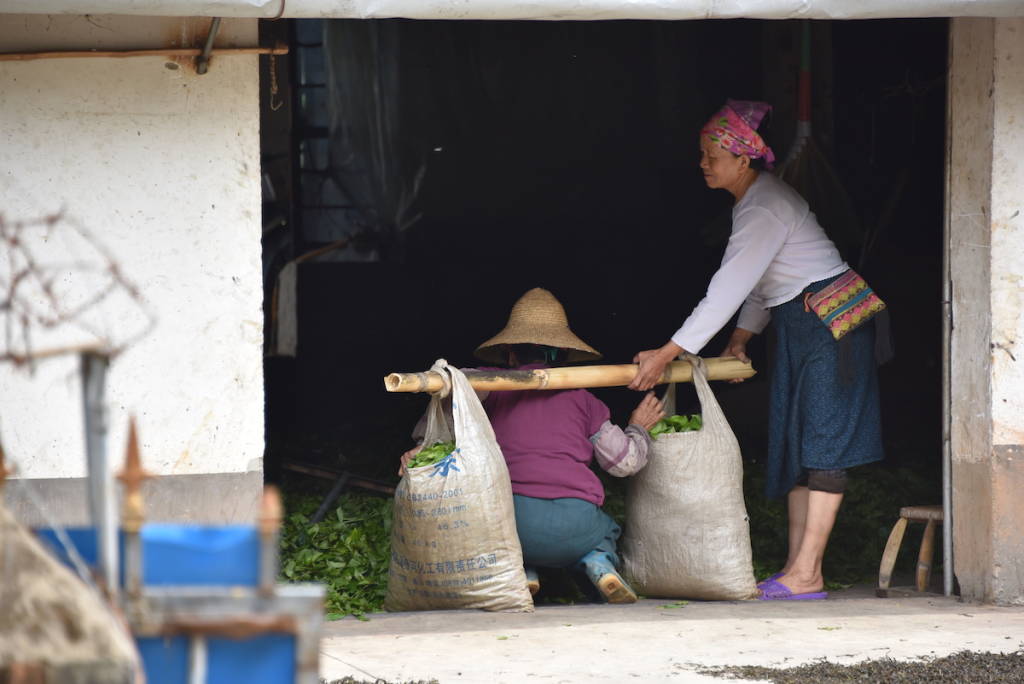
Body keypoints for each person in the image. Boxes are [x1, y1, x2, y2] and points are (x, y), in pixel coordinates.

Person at [629, 99, 886, 601]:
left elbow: (726, 289)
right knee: (797, 444)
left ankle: (808, 572)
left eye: (712, 155)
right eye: (702, 154)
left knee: (823, 445)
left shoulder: (764, 206)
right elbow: (761, 284)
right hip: (802, 325)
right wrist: (743, 338)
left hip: (829, 327)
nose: (703, 163)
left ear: (742, 161)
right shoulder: (753, 205)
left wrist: (666, 354)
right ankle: (796, 570)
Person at [401, 287, 664, 604]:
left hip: (510, 525)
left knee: (505, 539)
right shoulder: (585, 401)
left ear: (510, 353)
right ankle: (598, 561)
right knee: (606, 532)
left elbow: (451, 397)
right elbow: (625, 464)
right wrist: (638, 427)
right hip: (578, 524)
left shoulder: (488, 387)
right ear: (563, 355)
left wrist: (424, 445)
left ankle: (522, 570)